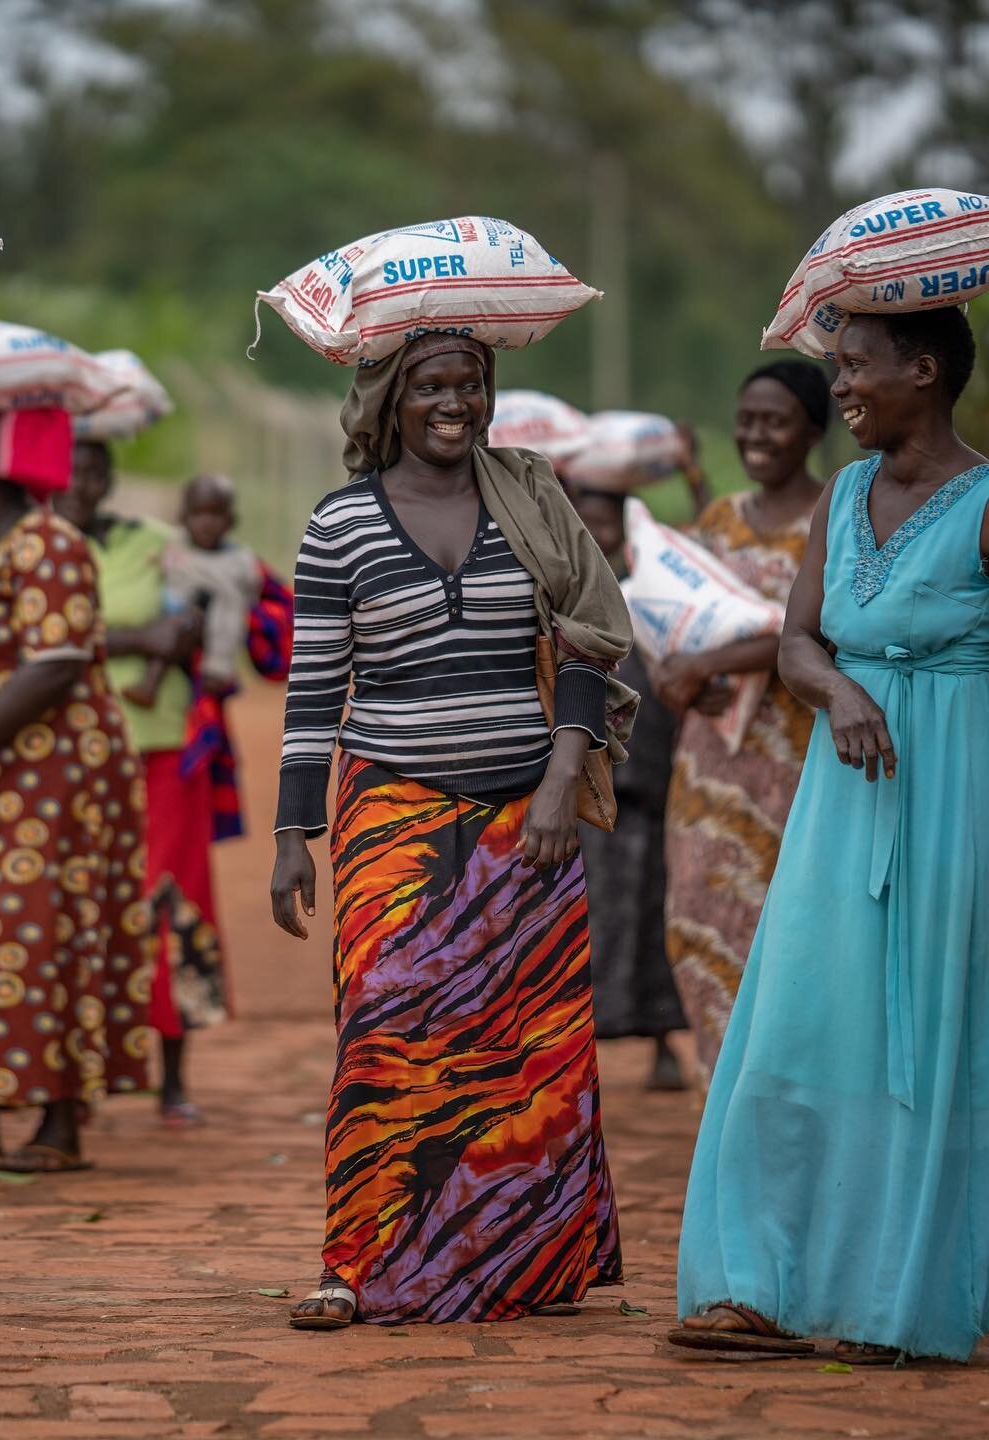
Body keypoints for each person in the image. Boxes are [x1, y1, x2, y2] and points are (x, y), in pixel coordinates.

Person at [271, 332, 633, 1329]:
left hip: (530, 811)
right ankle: (356, 1263)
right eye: (433, 385)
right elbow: (312, 691)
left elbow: (591, 640)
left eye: (470, 385)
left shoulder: (530, 495)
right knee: (386, 1029)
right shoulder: (339, 524)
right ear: (392, 398)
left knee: (530, 1044)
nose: (455, 403)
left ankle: (526, 1259)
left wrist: (564, 773)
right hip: (392, 803)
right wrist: (291, 834)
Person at [673, 307, 989, 1364]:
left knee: (932, 1039)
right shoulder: (845, 493)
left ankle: (908, 1297)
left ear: (927, 370)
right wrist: (842, 694)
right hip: (844, 799)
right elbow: (800, 639)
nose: (841, 387)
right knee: (803, 1019)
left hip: (955, 797)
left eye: (856, 367)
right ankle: (758, 1283)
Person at [0, 406, 155, 1173]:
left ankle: (59, 1121)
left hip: (54, 775)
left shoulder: (50, 542)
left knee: (45, 931)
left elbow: (56, 665)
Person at [654, 361, 830, 1084]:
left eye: (776, 420)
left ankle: (778, 1098)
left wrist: (710, 660)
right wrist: (676, 675)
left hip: (796, 761)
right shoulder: (720, 519)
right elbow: (676, 613)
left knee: (784, 933)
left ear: (814, 431)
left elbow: (819, 629)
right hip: (710, 760)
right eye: (747, 418)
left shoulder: (834, 517)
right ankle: (718, 1090)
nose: (757, 434)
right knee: (695, 914)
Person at [55, 443, 220, 1125]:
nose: (82, 484)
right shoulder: (34, 547)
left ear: (110, 479)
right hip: (69, 754)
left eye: (94, 471)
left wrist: (168, 635)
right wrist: (134, 640)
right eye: (69, 471)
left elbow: (196, 613)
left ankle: (174, 1076)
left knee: (173, 902)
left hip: (161, 752)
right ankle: (80, 1074)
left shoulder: (156, 543)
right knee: (81, 907)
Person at [570, 485, 686, 1090]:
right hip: (590, 777)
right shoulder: (564, 584)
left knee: (656, 907)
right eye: (585, 520)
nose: (598, 532)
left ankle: (664, 1041)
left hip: (651, 764)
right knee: (586, 918)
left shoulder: (656, 586)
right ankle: (578, 1056)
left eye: (607, 521)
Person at [123, 473, 261, 708]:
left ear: (230, 520)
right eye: (198, 514)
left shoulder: (238, 560)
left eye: (215, 514)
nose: (206, 523)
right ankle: (149, 685)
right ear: (184, 517)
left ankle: (217, 671)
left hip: (211, 629)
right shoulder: (174, 545)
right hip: (170, 615)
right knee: (173, 627)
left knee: (227, 611)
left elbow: (250, 592)